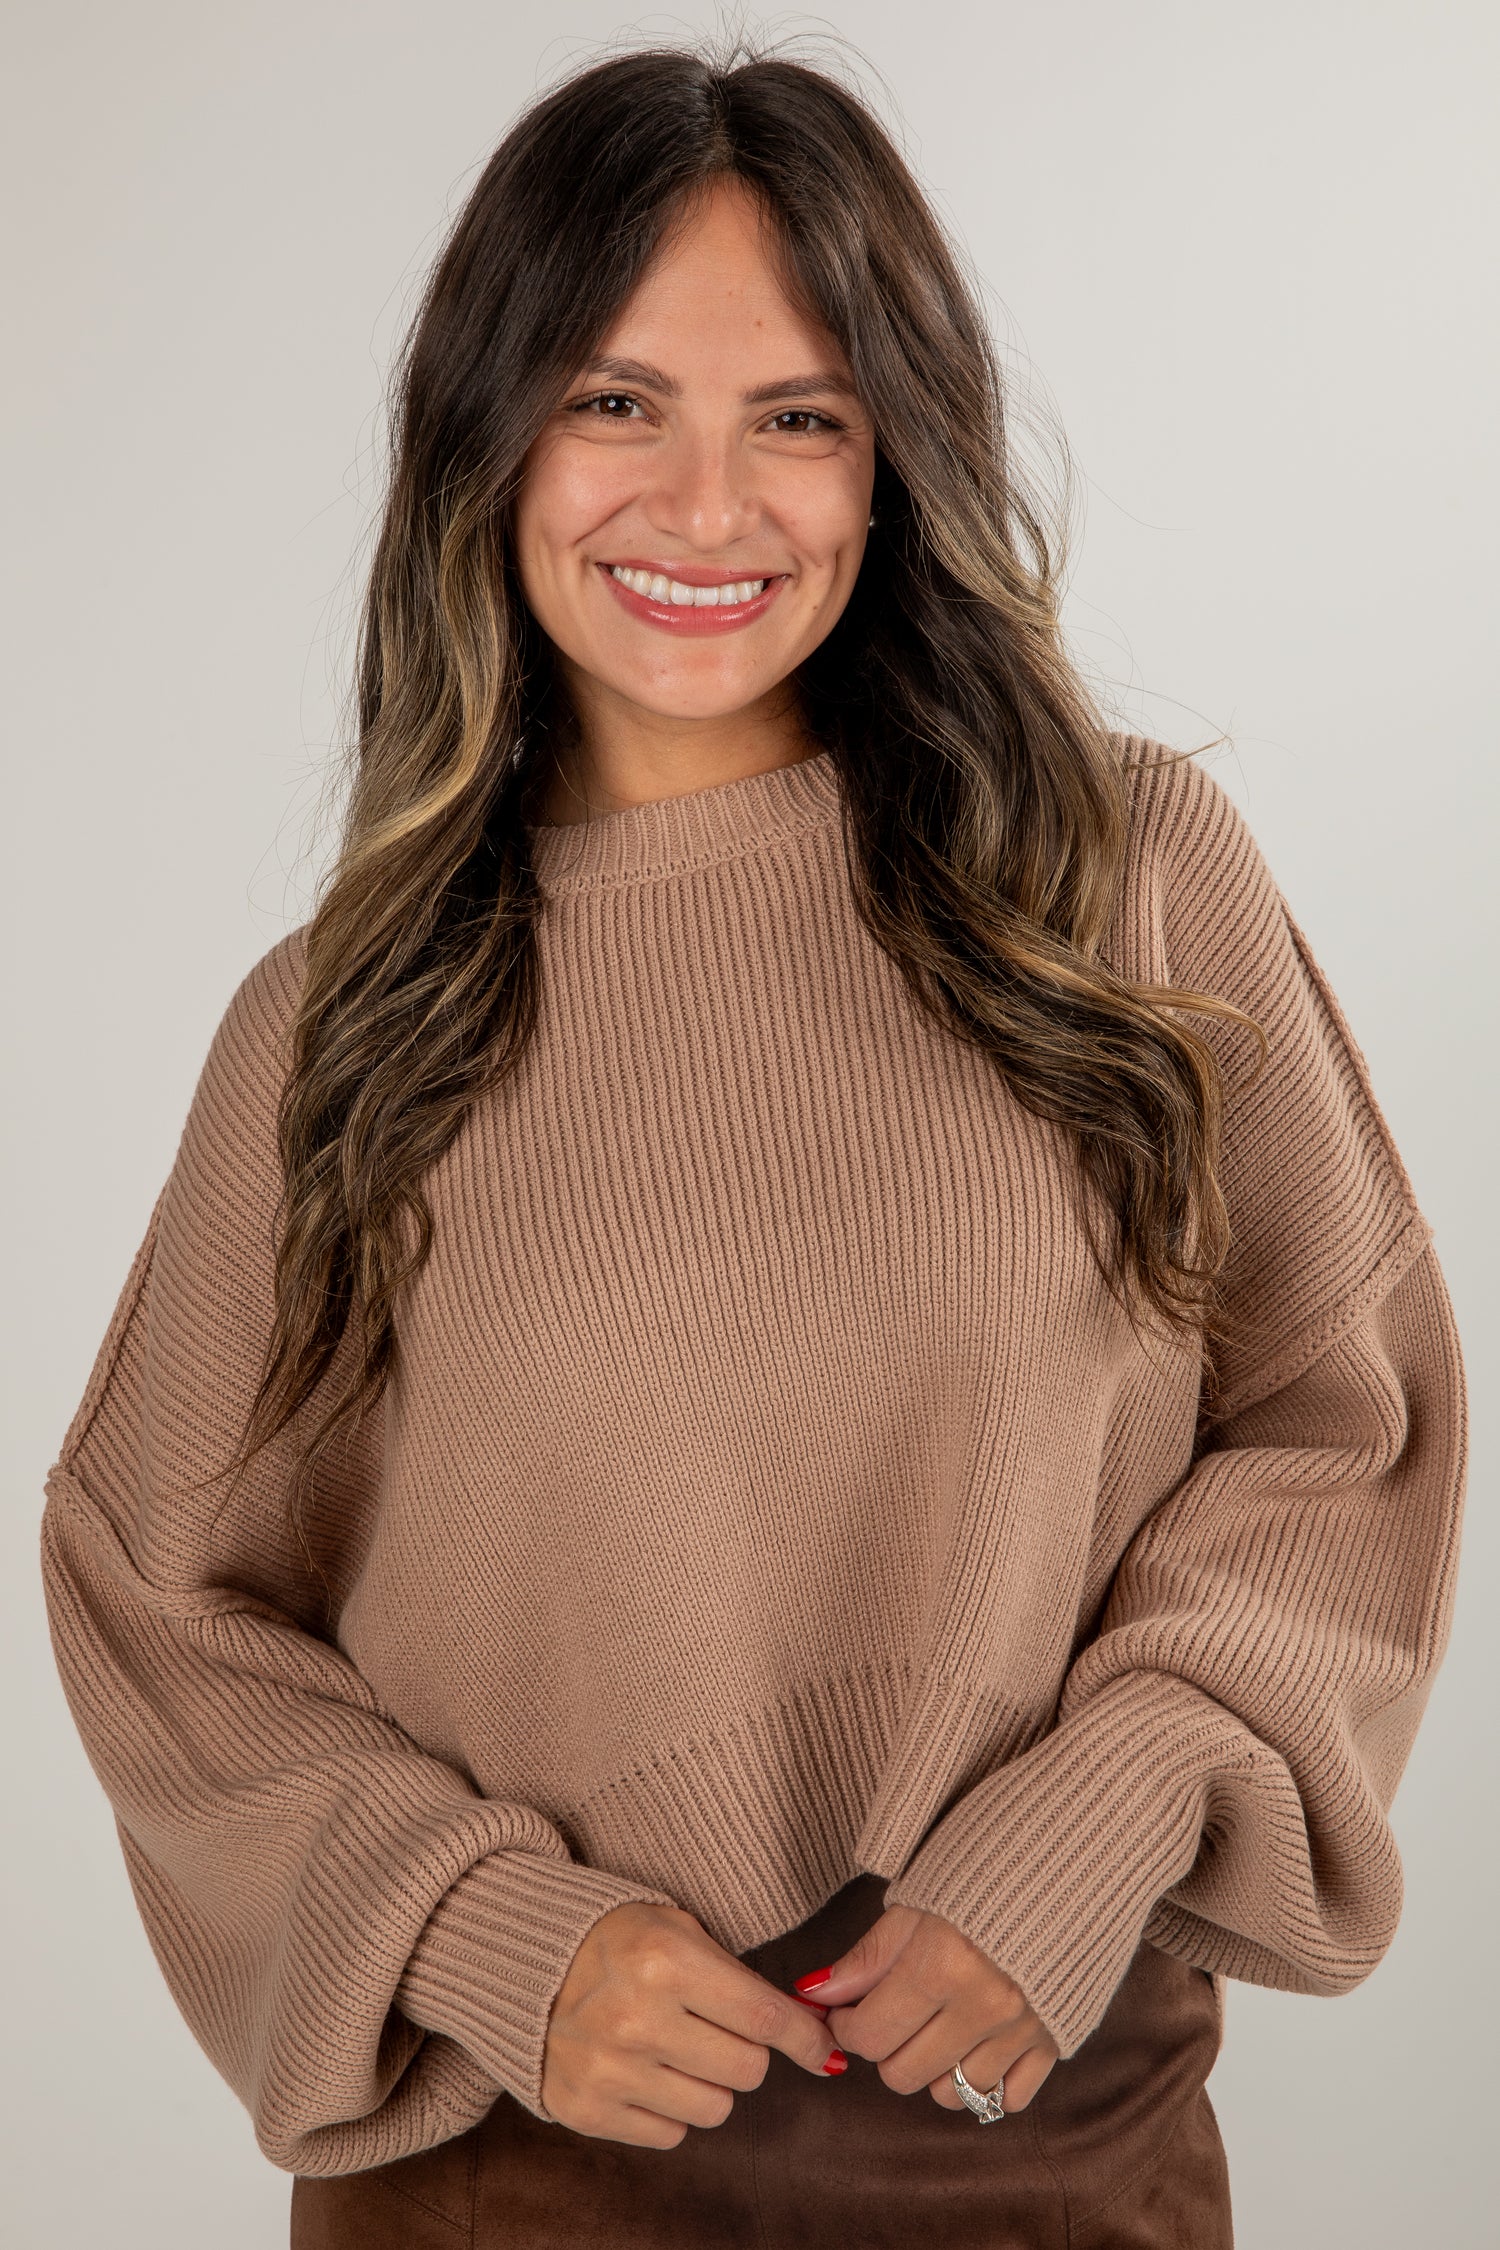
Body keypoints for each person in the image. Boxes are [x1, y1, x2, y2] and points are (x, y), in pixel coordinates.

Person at [40, 39, 1467, 2250]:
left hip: (1037, 2144)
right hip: (517, 2180)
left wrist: (1092, 1819)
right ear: (490, 436)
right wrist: (484, 1936)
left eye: (796, 415)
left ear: (893, 455)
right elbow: (157, 1606)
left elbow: (1342, 1428)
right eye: (617, 403)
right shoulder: (341, 1026)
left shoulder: (1129, 886)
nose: (707, 509)